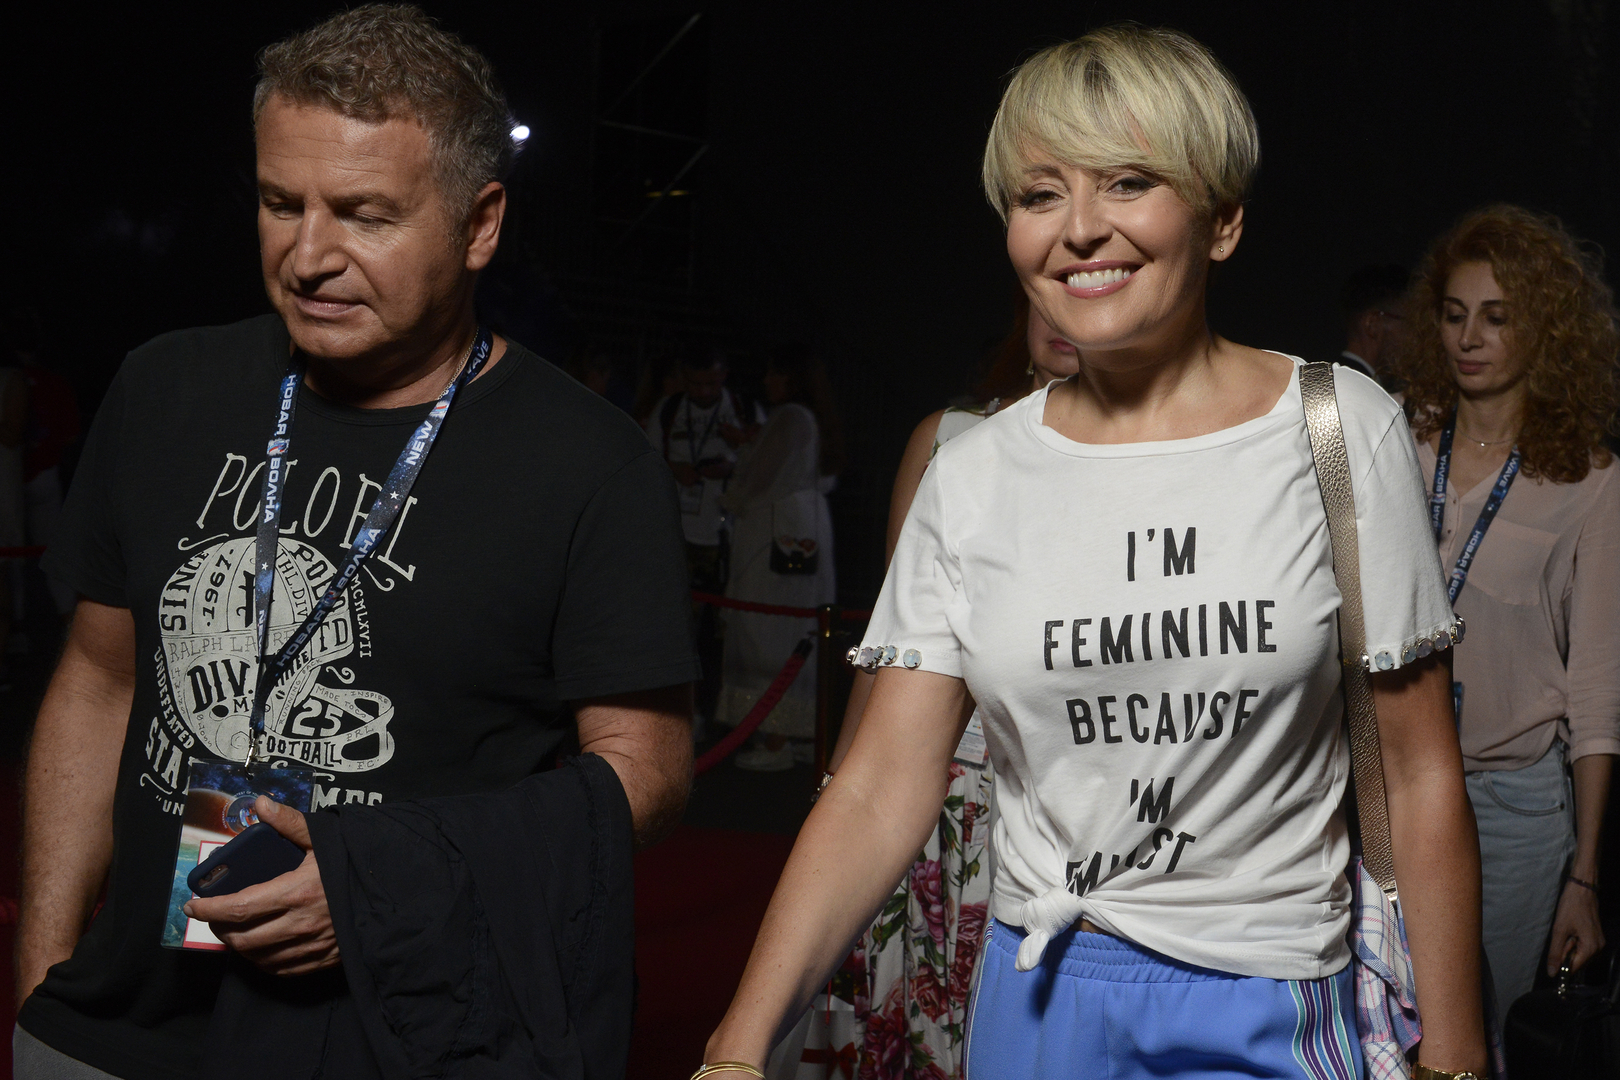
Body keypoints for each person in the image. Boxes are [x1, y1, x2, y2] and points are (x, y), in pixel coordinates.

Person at [700, 25, 1488, 1080]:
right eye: (1040, 194)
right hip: (1039, 993)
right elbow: (881, 783)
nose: (1079, 229)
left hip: (1267, 995)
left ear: (1221, 219)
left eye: (1127, 182)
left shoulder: (1338, 430)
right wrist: (737, 1048)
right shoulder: (974, 472)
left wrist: (1456, 1056)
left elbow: (1421, 773)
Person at [14, 7, 698, 1079]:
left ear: (480, 225)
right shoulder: (164, 387)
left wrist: (386, 887)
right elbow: (100, 681)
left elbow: (645, 774)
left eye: (365, 215)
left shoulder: (591, 466)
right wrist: (40, 978)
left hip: (400, 1036)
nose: (308, 256)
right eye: (281, 203)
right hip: (116, 1033)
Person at [773, 294, 1077, 1078]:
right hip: (936, 783)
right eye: (1047, 299)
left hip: (1060, 802)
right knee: (913, 1023)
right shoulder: (950, 439)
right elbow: (896, 638)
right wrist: (839, 785)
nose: (1065, 319)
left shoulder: (1150, 456)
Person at [1395, 204, 1620, 1015]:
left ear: (1545, 330)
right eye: (1455, 315)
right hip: (1389, 782)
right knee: (1380, 1025)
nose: (1469, 337)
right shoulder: (1398, 440)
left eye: (1496, 317)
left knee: (1475, 1033)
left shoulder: (1589, 481)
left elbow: (1595, 689)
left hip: (1513, 805)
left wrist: (1584, 877)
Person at [715, 346, 841, 772]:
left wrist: (731, 493)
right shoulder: (812, 417)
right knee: (794, 625)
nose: (767, 381)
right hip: (803, 525)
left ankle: (775, 739)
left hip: (777, 528)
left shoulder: (791, 417)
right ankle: (796, 732)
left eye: (775, 373)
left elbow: (762, 479)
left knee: (767, 626)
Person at [646, 345, 765, 593]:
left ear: (724, 375)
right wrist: (674, 469)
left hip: (727, 534)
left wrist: (732, 469)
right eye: (695, 384)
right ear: (684, 377)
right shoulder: (668, 409)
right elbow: (646, 461)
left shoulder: (745, 410)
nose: (703, 392)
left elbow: (767, 467)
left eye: (711, 384)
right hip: (675, 533)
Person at [1338, 264, 1410, 383]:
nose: (1414, 336)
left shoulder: (1333, 380)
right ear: (1372, 324)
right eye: (1409, 322)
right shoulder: (1359, 386)